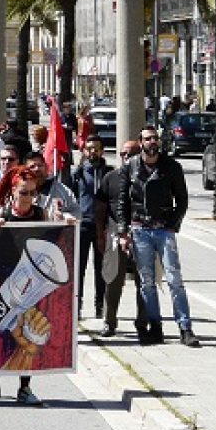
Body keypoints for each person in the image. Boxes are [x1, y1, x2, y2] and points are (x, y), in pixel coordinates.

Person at [0, 167, 76, 405]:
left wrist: (65, 221)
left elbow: (55, 230)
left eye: (33, 194)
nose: (28, 198)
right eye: (24, 193)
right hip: (4, 277)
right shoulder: (3, 212)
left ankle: (24, 387)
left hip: (31, 281)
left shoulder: (40, 213)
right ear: (13, 192)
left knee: (27, 334)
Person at [113, 126, 201, 347]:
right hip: (139, 230)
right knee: (147, 283)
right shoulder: (130, 167)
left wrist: (172, 225)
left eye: (155, 138)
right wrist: (123, 232)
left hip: (163, 230)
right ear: (140, 142)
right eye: (147, 139)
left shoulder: (171, 167)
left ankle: (185, 327)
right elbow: (122, 201)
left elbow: (182, 199)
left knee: (175, 280)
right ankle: (155, 326)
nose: (152, 142)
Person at [95, 141, 148, 338]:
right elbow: (100, 208)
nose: (127, 157)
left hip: (143, 235)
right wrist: (100, 234)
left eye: (132, 153)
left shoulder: (148, 176)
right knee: (112, 279)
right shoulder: (111, 178)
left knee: (144, 281)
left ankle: (143, 323)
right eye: (123, 154)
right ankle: (109, 322)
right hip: (115, 234)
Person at [70, 136, 110, 319]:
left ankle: (101, 306)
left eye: (96, 148)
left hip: (102, 227)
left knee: (102, 269)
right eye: (89, 148)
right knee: (79, 268)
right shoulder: (77, 173)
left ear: (102, 151)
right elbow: (69, 200)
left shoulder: (109, 173)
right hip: (82, 225)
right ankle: (76, 306)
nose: (92, 151)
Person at [24, 152, 80, 221]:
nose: (37, 169)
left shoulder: (63, 190)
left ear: (46, 167)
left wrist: (64, 217)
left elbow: (76, 213)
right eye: (32, 166)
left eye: (40, 165)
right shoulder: (20, 191)